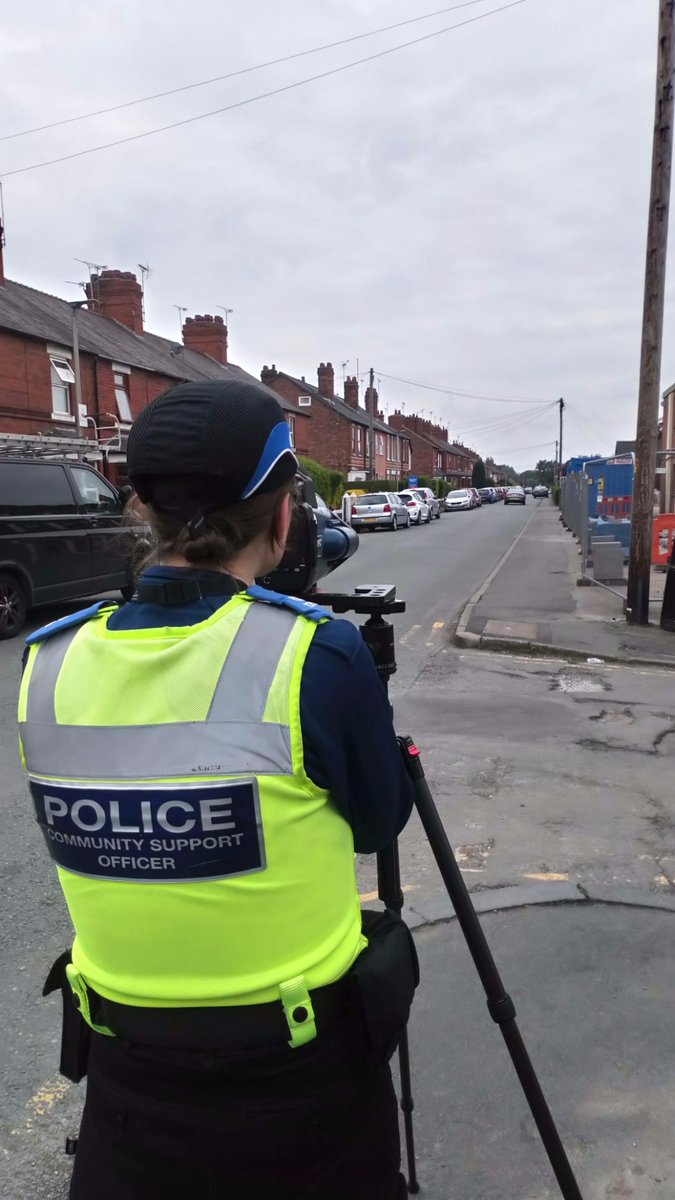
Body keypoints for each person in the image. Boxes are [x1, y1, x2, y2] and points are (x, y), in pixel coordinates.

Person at [18, 379, 417, 1200]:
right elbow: (379, 822)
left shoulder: (45, 664)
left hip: (125, 1086)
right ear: (281, 518)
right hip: (300, 1085)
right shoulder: (317, 656)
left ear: (140, 510)